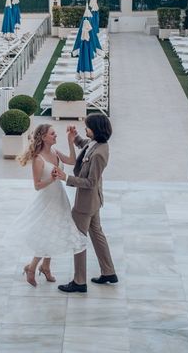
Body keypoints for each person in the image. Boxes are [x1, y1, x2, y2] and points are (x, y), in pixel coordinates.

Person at [13, 124, 87, 287]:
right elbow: (37, 185)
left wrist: (70, 141)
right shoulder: (38, 159)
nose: (55, 136)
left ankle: (45, 266)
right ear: (44, 137)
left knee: (55, 231)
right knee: (48, 233)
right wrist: (52, 179)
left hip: (59, 197)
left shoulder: (54, 152)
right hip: (47, 201)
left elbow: (72, 161)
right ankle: (32, 268)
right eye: (53, 134)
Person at [53, 113, 117, 293]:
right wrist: (75, 139)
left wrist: (66, 177)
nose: (85, 128)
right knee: (97, 234)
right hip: (94, 202)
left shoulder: (99, 155)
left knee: (78, 239)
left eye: (87, 127)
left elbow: (91, 182)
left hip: (85, 204)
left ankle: (79, 281)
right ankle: (109, 271)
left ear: (95, 130)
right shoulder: (97, 144)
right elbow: (85, 147)